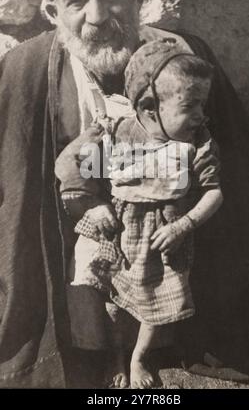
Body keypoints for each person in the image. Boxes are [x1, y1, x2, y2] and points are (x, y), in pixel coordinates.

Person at [0, 0, 249, 389]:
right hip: (82, 231)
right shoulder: (22, 69)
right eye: (77, 1)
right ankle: (101, 349)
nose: (98, 15)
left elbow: (239, 163)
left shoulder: (185, 53)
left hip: (167, 230)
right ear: (51, 12)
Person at [55, 40, 224, 388]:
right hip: (117, 229)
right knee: (109, 297)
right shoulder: (118, 133)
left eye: (202, 105)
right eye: (189, 106)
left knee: (155, 304)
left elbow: (214, 192)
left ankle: (139, 357)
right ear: (149, 109)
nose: (200, 116)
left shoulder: (198, 144)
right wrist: (92, 204)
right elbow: (80, 168)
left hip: (163, 234)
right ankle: (116, 353)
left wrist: (184, 225)